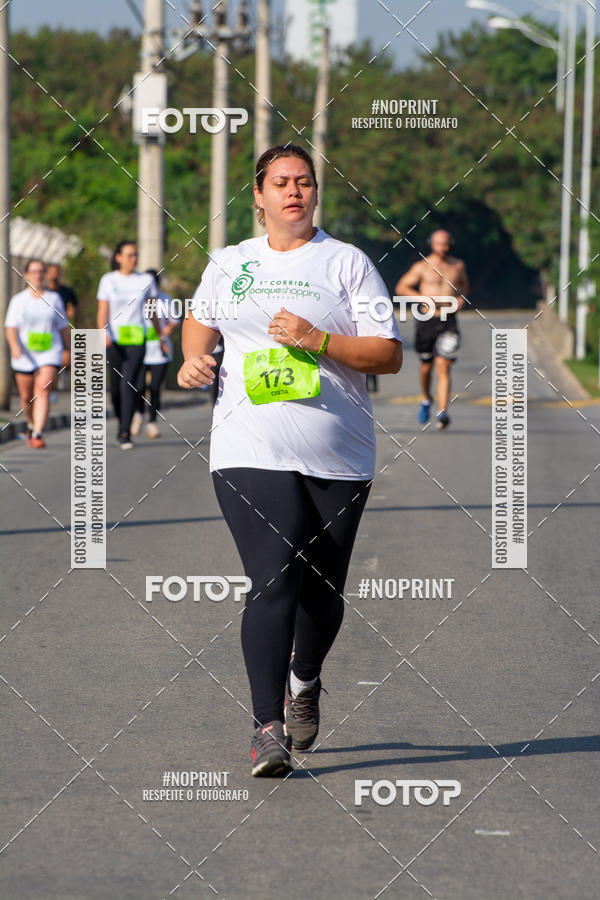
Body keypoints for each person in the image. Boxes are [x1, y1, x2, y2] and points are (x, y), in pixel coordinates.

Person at [178, 144, 402, 777]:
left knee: (322, 591)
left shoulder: (347, 263)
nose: (294, 191)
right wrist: (193, 358)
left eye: (304, 182)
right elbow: (200, 321)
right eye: (280, 182)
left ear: (315, 193)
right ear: (258, 195)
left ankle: (305, 678)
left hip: (338, 451)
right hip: (249, 445)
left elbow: (388, 355)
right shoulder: (231, 263)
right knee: (274, 578)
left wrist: (317, 339)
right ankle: (266, 727)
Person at [395, 230, 469, 429]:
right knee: (426, 366)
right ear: (431, 244)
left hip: (448, 319)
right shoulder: (422, 267)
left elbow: (463, 286)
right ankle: (427, 399)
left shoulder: (458, 265)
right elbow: (401, 287)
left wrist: (461, 299)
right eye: (439, 244)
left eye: (445, 244)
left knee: (444, 365)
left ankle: (443, 412)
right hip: (427, 319)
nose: (443, 248)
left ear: (451, 243)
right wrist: (422, 299)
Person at [96, 241, 165, 449]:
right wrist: (102, 333)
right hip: (114, 340)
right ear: (118, 257)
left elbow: (151, 312)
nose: (133, 259)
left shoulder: (145, 280)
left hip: (137, 339)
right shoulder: (108, 280)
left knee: (128, 384)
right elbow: (103, 310)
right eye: (129, 255)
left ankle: (125, 432)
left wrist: (160, 336)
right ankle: (121, 421)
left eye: (135, 255)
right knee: (116, 389)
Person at [4, 259, 70, 448]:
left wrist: (69, 350)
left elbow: (64, 327)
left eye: (41, 271)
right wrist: (14, 346)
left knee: (42, 391)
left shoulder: (54, 299)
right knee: (27, 397)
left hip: (49, 352)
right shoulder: (18, 301)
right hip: (24, 354)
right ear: (26, 275)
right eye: (34, 271)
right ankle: (31, 424)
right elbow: (11, 328)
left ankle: (38, 433)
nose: (38, 275)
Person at [131, 269, 180, 439]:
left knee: (155, 387)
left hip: (160, 350)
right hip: (140, 348)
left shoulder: (166, 299)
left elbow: (174, 321)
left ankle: (152, 422)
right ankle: (139, 414)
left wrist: (163, 334)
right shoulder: (136, 299)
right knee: (139, 386)